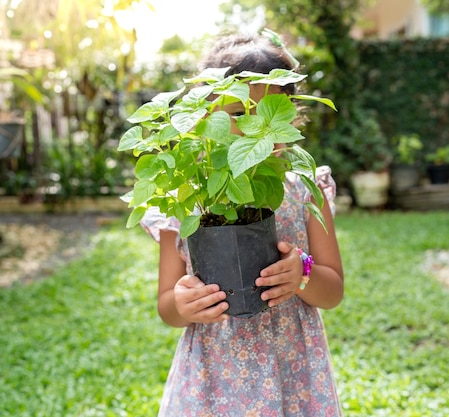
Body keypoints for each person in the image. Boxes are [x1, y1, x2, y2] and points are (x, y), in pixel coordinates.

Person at [141, 30, 345, 416]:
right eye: (237, 114)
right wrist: (184, 303)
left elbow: (332, 290)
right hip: (213, 373)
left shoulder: (304, 187)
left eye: (270, 114)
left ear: (289, 116)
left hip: (291, 368)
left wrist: (302, 273)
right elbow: (167, 305)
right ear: (206, 116)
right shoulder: (188, 196)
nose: (254, 127)